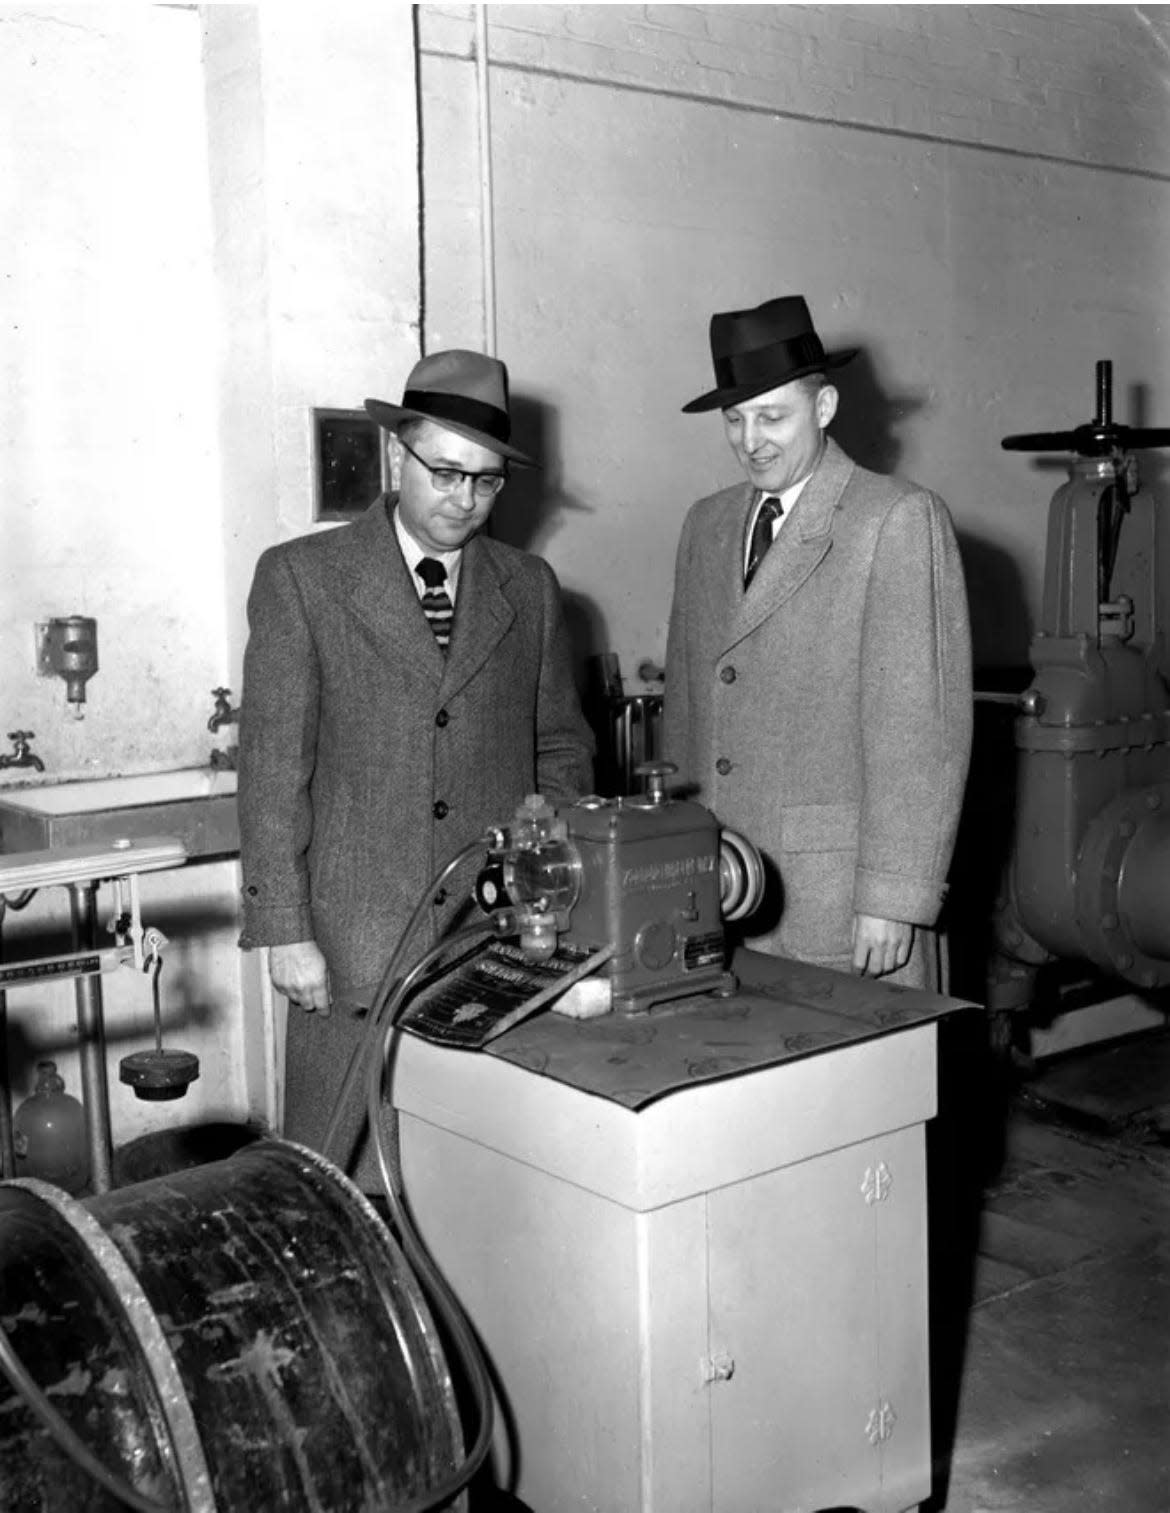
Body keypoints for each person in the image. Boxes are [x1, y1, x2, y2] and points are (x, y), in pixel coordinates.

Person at [237, 349, 594, 1182]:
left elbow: (561, 746)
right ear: (396, 455)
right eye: (444, 472)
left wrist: (550, 866)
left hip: (490, 941)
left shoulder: (530, 587)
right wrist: (285, 928)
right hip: (352, 948)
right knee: (344, 1187)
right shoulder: (302, 579)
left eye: (485, 480)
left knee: (470, 1184)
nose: (463, 499)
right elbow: (272, 771)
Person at [664, 295, 972, 988]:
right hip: (718, 894)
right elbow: (685, 710)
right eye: (735, 420)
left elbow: (920, 732)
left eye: (773, 416)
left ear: (825, 407)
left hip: (839, 910)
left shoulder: (893, 519)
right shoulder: (705, 526)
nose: (751, 440)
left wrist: (894, 896)